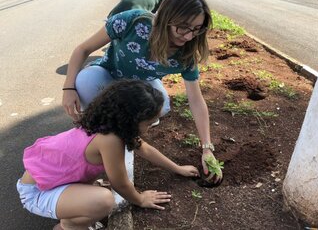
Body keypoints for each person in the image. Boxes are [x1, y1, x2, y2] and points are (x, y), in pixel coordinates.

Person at [61, 0, 223, 183]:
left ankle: (125, 123)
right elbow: (83, 49)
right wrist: (68, 87)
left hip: (140, 87)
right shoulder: (132, 21)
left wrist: (207, 148)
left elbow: (196, 99)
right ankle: (100, 126)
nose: (188, 36)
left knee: (161, 107)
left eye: (196, 29)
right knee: (85, 83)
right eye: (183, 28)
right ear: (166, 18)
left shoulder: (186, 54)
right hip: (108, 76)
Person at [17, 80, 199, 230]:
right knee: (103, 201)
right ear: (131, 120)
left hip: (50, 182)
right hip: (38, 193)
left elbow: (145, 149)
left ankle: (73, 215)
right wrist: (140, 199)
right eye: (149, 122)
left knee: (99, 196)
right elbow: (120, 183)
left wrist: (178, 168)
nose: (150, 127)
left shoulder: (108, 122)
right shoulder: (109, 139)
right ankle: (68, 226)